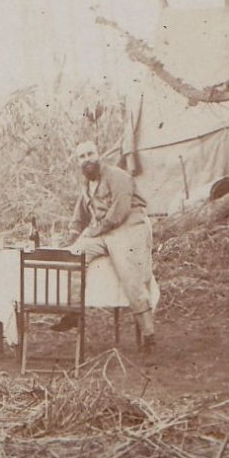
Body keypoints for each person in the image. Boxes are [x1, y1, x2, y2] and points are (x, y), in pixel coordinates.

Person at [68, 141, 158, 346]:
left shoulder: (117, 175)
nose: (87, 159)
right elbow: (79, 214)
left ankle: (148, 333)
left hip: (128, 226)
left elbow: (120, 210)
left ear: (99, 155)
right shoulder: (87, 184)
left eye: (90, 154)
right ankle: (73, 310)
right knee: (73, 255)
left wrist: (95, 230)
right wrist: (74, 234)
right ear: (78, 162)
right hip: (105, 231)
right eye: (81, 156)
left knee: (129, 273)